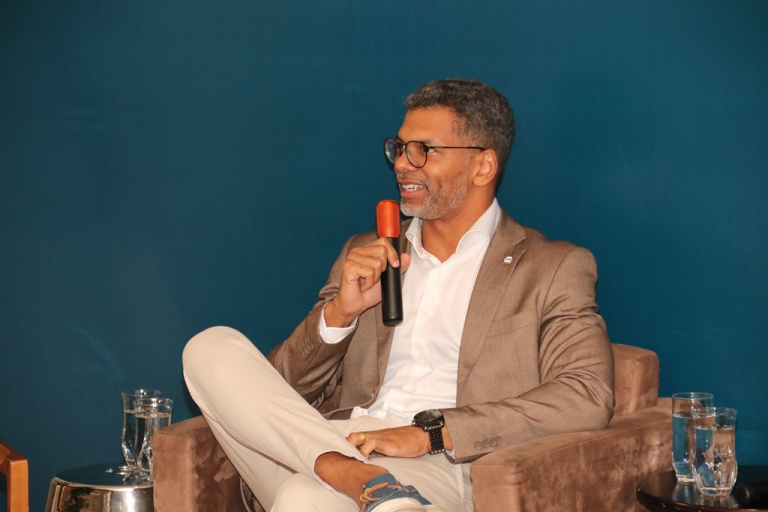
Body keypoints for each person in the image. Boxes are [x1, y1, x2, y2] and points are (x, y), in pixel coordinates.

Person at [183, 78, 614, 512]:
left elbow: (586, 395)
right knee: (208, 347)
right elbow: (283, 393)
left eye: (424, 150)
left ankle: (366, 486)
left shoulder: (551, 267)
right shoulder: (364, 252)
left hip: (442, 463)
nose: (403, 165)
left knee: (303, 497)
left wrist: (432, 433)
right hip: (328, 442)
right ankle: (352, 475)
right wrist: (339, 316)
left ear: (483, 166)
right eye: (400, 148)